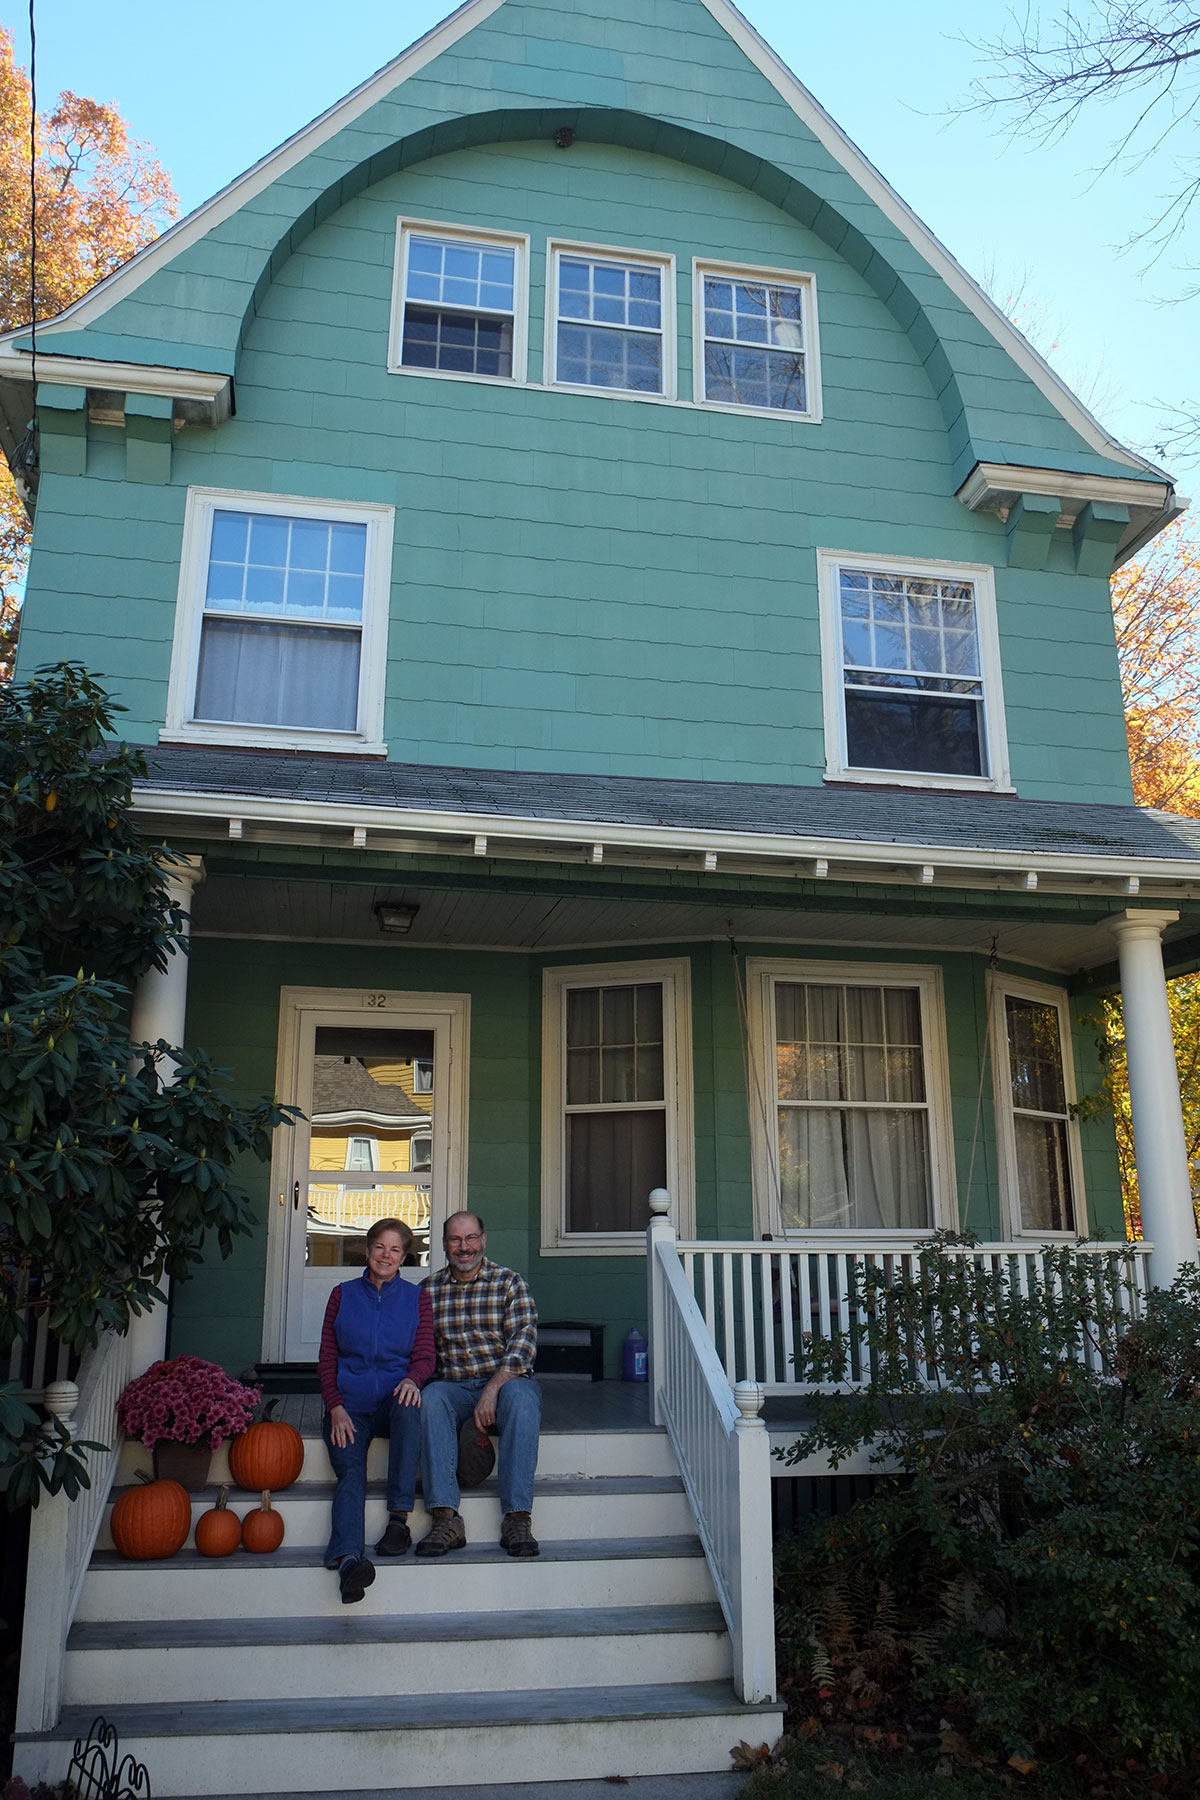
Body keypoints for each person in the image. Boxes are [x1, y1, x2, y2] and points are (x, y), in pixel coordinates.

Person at [319, 1217, 435, 1603]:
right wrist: (335, 1407)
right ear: (368, 1251)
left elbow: (425, 1356)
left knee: (410, 1407)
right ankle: (349, 1562)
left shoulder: (417, 1299)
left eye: (395, 1249)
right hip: (348, 1410)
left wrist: (412, 1380)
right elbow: (327, 1359)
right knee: (351, 1475)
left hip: (391, 1403)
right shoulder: (342, 1295)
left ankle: (398, 1522)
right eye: (380, 1247)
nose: (386, 1255)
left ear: (404, 1257)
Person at [416, 1210, 541, 1559]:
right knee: (431, 1397)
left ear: (483, 1240)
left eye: (471, 1238)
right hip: (453, 1387)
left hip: (505, 1383)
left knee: (523, 1398)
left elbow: (523, 1345)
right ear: (444, 1244)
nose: (464, 1247)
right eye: (455, 1239)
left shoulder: (509, 1283)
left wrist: (492, 1389)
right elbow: (419, 1349)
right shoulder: (427, 1291)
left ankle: (517, 1518)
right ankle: (445, 1517)